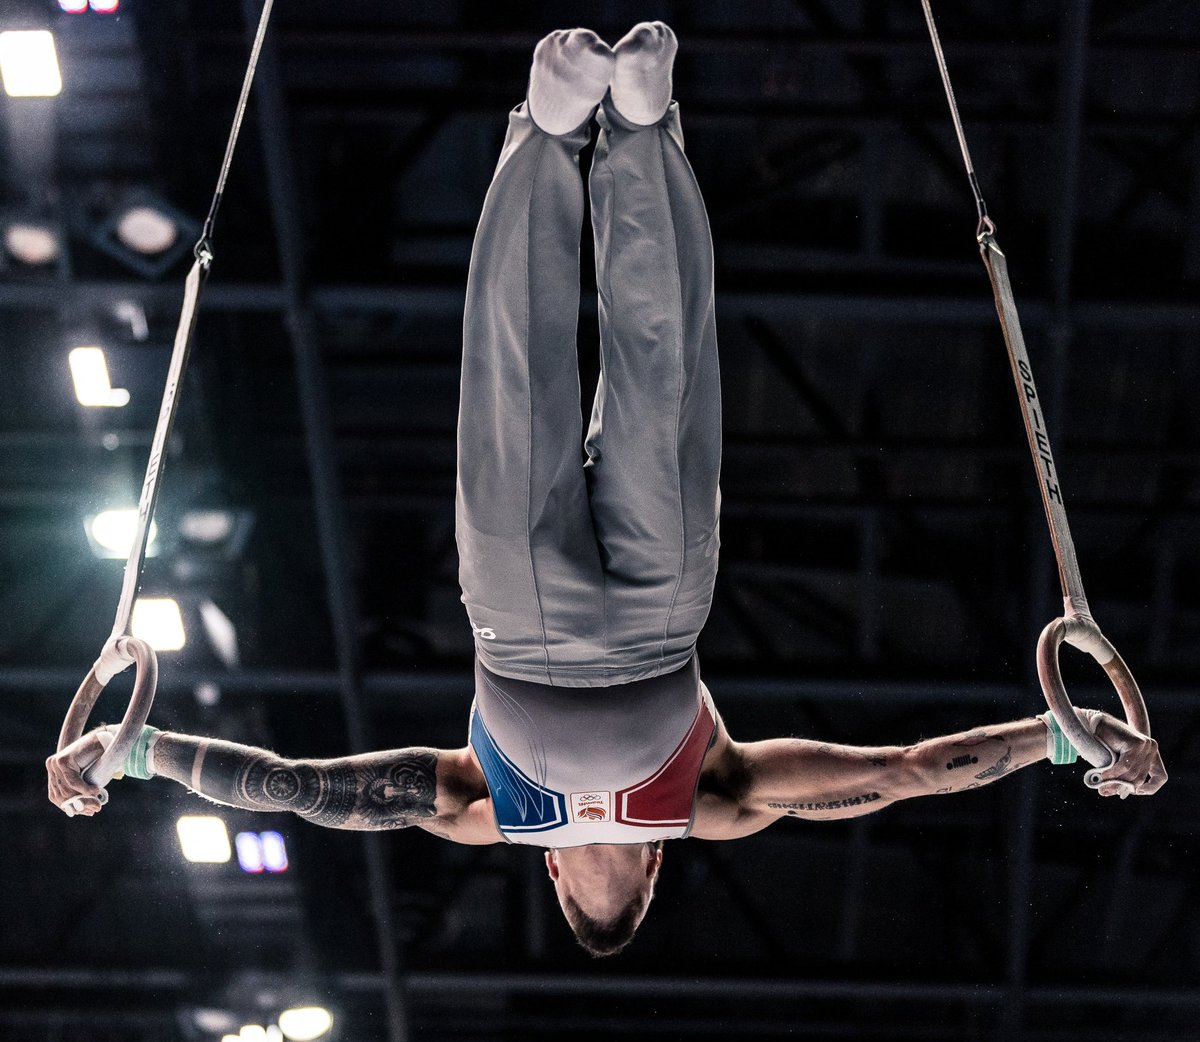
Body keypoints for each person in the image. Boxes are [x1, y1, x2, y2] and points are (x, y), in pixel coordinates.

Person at [46, 24, 1167, 957]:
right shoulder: (695, 804)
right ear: (629, 881)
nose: (591, 866)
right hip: (604, 626)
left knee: (553, 380)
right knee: (648, 378)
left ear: (625, 883)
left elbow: (305, 788)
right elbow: (907, 775)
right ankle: (628, 128)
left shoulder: (521, 816)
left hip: (575, 624)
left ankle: (571, 130)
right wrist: (1064, 734)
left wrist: (142, 753)